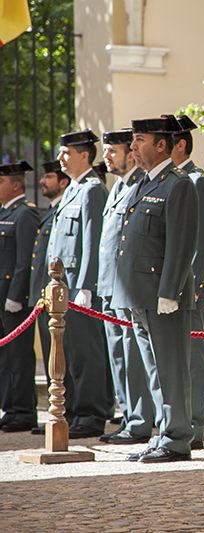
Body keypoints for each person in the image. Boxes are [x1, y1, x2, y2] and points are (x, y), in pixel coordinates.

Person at [115, 115, 199, 463]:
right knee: (153, 369)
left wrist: (170, 291)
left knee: (170, 368)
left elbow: (182, 243)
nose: (132, 146)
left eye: (140, 140)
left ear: (161, 145)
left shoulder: (178, 185)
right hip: (139, 292)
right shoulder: (143, 184)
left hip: (162, 295)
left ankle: (177, 438)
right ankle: (164, 432)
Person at [49, 129, 111, 439]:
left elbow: (93, 240)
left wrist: (87, 284)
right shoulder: (73, 189)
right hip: (63, 287)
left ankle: (91, 413)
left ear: (84, 155)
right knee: (69, 351)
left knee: (87, 352)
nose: (61, 157)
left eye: (66, 153)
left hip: (79, 287)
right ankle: (73, 410)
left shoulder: (91, 190)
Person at [96, 128, 150, 445]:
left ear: (131, 154)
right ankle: (128, 415)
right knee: (118, 354)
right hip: (110, 284)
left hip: (128, 285)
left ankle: (142, 420)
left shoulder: (141, 186)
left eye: (112, 150)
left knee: (132, 354)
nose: (107, 156)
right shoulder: (117, 187)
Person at [170, 114, 204, 448]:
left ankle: (196, 426)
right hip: (170, 285)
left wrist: (195, 285)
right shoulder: (171, 180)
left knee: (193, 356)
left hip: (189, 285)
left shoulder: (197, 181)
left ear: (180, 145)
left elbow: (202, 242)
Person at [28, 161, 71, 435]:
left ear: (63, 182)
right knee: (51, 354)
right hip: (47, 298)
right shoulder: (50, 212)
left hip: (62, 298)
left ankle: (76, 412)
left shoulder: (66, 206)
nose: (42, 181)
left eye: (49, 176)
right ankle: (63, 411)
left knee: (69, 356)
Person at [0, 161, 40, 433]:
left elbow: (25, 261)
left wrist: (16, 295)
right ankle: (10, 408)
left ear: (16, 185)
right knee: (5, 356)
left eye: (1, 181)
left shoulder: (25, 214)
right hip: (2, 298)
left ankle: (24, 411)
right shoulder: (5, 212)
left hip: (15, 298)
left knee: (19, 355)